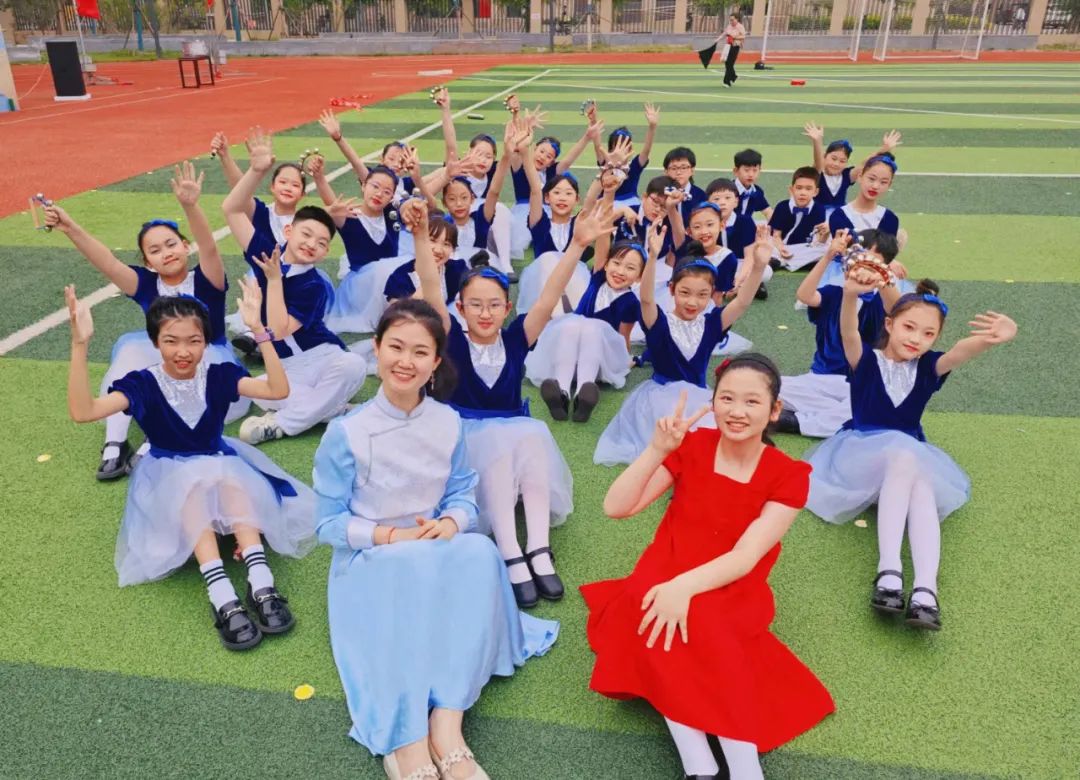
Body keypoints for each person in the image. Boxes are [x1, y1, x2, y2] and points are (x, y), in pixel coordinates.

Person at [312, 298, 558, 780]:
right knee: (412, 563)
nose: (406, 361)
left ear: (436, 361)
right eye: (396, 347)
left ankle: (448, 724)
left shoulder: (448, 421)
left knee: (481, 551)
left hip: (435, 546)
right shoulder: (347, 432)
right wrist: (390, 535)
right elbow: (327, 524)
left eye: (420, 352)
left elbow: (462, 493)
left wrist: (451, 523)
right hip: (374, 558)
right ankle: (407, 740)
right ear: (376, 349)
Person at [582, 357, 835, 780]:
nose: (737, 411)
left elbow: (746, 556)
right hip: (666, 566)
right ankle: (699, 764)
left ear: (774, 410)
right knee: (656, 616)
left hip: (732, 582)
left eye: (752, 401)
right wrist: (656, 450)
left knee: (697, 627)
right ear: (713, 402)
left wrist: (682, 588)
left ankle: (742, 768)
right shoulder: (693, 446)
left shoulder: (789, 475)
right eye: (727, 399)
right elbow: (616, 507)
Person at [65, 285, 316, 650]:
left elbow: (278, 391)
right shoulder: (142, 384)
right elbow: (83, 411)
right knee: (195, 484)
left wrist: (259, 331)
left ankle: (261, 581)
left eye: (194, 341)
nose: (183, 351)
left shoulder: (219, 375)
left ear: (205, 342)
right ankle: (221, 593)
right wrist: (79, 344)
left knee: (229, 477)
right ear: (155, 342)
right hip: (167, 477)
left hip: (221, 464)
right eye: (171, 341)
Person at [412, 198, 616, 608]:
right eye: (475, 305)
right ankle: (511, 552)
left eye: (494, 305)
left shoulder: (517, 336)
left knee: (532, 435)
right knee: (503, 445)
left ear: (507, 308)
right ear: (460, 308)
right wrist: (420, 236)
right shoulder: (451, 338)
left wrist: (577, 245)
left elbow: (548, 296)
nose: (485, 313)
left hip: (515, 428)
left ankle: (539, 548)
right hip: (465, 435)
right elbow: (432, 289)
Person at [805, 270, 1018, 630]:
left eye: (928, 333)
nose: (916, 338)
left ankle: (924, 589)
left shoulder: (929, 368)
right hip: (858, 456)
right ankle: (890, 568)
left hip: (903, 465)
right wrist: (850, 295)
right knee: (906, 455)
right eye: (909, 327)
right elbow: (849, 332)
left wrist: (993, 339)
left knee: (920, 482)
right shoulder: (866, 360)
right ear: (889, 324)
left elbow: (960, 352)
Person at [45, 162, 249, 480]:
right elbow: (108, 263)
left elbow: (209, 247)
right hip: (164, 359)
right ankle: (115, 442)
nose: (165, 252)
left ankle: (156, 439)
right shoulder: (145, 285)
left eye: (171, 244)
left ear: (185, 246)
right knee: (130, 352)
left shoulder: (207, 279)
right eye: (154, 250)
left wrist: (190, 206)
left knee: (192, 363)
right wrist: (70, 227)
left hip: (208, 361)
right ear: (147, 261)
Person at [221, 127, 367, 445]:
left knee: (353, 366)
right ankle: (331, 409)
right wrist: (256, 171)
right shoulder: (266, 251)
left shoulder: (314, 285)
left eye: (322, 242)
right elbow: (231, 209)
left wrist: (274, 282)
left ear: (326, 252)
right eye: (306, 235)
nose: (312, 244)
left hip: (323, 357)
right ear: (289, 232)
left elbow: (278, 329)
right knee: (262, 392)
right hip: (285, 365)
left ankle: (282, 425)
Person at [593, 224, 769, 467]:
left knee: (716, 441)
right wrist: (652, 257)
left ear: (711, 294)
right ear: (672, 289)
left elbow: (741, 303)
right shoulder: (659, 323)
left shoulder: (712, 324)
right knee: (676, 442)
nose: (692, 302)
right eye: (685, 292)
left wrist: (758, 267)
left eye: (702, 295)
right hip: (658, 398)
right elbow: (646, 299)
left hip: (700, 398)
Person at [775, 229, 905, 438]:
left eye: (872, 263)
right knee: (766, 384)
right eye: (859, 259)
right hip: (820, 380)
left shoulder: (883, 302)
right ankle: (824, 412)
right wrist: (828, 256)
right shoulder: (833, 294)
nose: (863, 269)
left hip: (860, 383)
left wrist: (882, 276)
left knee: (870, 402)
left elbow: (898, 310)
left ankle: (797, 421)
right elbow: (805, 295)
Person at [525, 234, 646, 423]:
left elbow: (623, 337)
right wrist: (606, 218)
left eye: (630, 268)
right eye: (616, 263)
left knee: (592, 328)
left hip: (597, 359)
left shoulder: (631, 303)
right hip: (570, 354)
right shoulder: (598, 278)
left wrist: (624, 361)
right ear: (606, 264)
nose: (620, 271)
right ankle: (561, 393)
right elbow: (602, 242)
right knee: (571, 324)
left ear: (639, 276)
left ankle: (584, 394)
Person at [802, 124, 902, 217]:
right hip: (816, 218)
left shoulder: (846, 176)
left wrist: (885, 148)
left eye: (842, 161)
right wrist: (817, 141)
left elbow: (864, 163)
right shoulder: (817, 174)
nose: (836, 164)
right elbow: (818, 162)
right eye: (833, 158)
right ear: (825, 156)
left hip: (838, 220)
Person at [766, 166, 829, 271]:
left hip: (803, 248)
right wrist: (781, 248)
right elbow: (776, 235)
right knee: (764, 243)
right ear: (792, 189)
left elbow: (819, 241)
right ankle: (784, 260)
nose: (803, 193)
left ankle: (781, 262)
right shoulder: (782, 206)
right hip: (779, 245)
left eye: (808, 189)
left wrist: (827, 232)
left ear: (815, 192)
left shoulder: (819, 209)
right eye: (799, 188)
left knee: (826, 249)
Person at [720, 13, 746, 88]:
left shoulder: (740, 27)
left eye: (732, 20)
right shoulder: (729, 26)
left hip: (735, 46)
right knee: (727, 63)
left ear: (737, 19)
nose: (731, 21)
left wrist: (734, 37)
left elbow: (743, 36)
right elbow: (725, 33)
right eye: (730, 20)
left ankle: (726, 81)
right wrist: (718, 39)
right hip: (728, 45)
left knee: (730, 63)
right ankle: (733, 76)